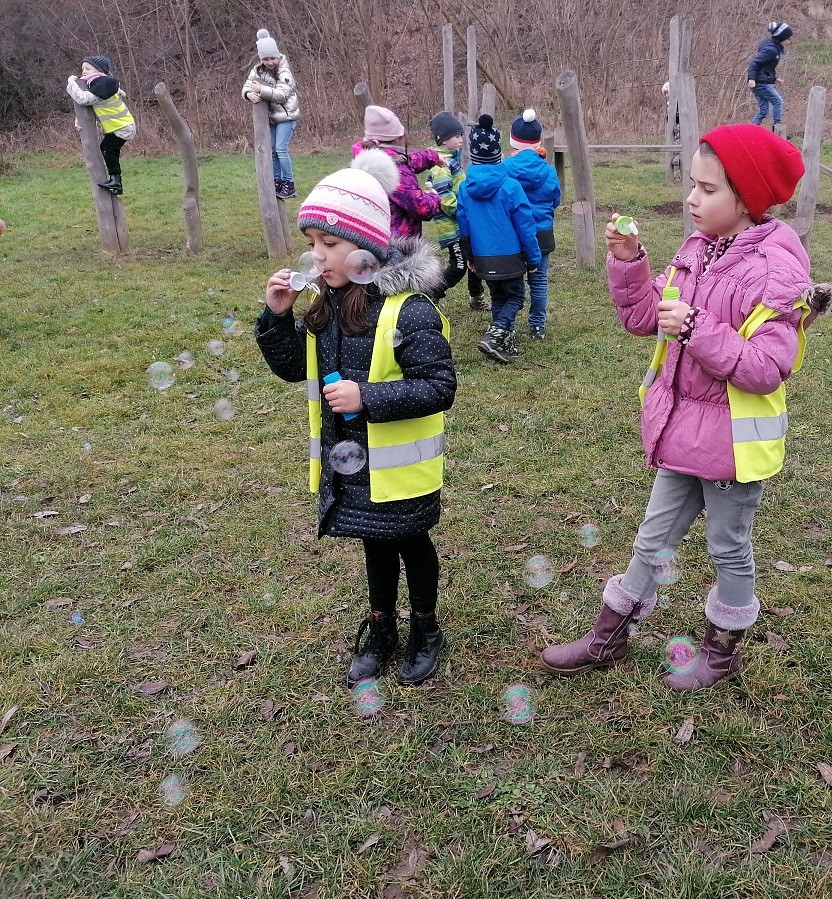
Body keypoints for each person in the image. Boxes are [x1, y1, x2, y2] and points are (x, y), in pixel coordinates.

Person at [541, 124, 816, 691]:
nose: (692, 198)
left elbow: (767, 368)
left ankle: (722, 651)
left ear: (747, 200)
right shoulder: (697, 250)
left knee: (728, 548)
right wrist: (631, 262)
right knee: (652, 538)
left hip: (734, 444)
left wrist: (696, 328)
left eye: (707, 189)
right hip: (683, 430)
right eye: (692, 184)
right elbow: (646, 317)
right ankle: (609, 638)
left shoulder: (775, 272)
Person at [255, 148, 457, 688]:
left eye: (330, 243)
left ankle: (426, 628)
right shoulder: (325, 309)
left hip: (401, 470)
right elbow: (294, 368)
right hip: (353, 463)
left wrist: (366, 396)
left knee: (411, 542)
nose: (317, 256)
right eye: (312, 243)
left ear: (365, 248)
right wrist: (277, 318)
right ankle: (381, 627)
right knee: (375, 543)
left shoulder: (409, 310)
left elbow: (439, 387)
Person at [457, 114, 541, 363]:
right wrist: (533, 258)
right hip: (510, 256)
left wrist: (469, 256)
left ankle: (504, 344)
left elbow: (464, 226)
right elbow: (526, 226)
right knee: (516, 297)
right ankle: (495, 334)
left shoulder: (464, 189)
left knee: (497, 297)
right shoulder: (511, 187)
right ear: (499, 154)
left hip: (482, 256)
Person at [503, 109, 561, 340]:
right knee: (539, 280)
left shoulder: (504, 169)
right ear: (538, 142)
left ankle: (507, 323)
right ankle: (538, 324)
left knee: (513, 281)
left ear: (513, 141)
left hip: (513, 234)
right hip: (542, 232)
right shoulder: (548, 170)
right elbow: (555, 199)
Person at [426, 111, 487, 312]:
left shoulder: (450, 160)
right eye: (456, 136)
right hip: (452, 228)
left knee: (475, 258)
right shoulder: (441, 166)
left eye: (461, 135)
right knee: (459, 266)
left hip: (462, 224)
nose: (461, 140)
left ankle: (477, 297)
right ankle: (430, 295)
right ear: (443, 140)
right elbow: (444, 198)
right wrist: (463, 213)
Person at [352, 105, 444, 239]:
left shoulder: (368, 159)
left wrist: (431, 157)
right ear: (397, 138)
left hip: (375, 236)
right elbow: (422, 208)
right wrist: (434, 197)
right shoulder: (394, 172)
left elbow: (406, 161)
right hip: (397, 244)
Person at [242, 29, 300, 198]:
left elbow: (282, 95)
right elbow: (247, 86)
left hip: (287, 116)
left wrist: (261, 90)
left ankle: (289, 183)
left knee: (281, 149)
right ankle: (277, 181)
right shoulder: (258, 70)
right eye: (265, 59)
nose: (269, 62)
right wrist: (248, 94)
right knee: (272, 150)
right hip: (273, 118)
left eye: (272, 58)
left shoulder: (284, 71)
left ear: (277, 56)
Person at [66, 55, 136, 196]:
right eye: (83, 68)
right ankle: (116, 181)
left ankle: (116, 181)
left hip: (123, 128)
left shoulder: (103, 86)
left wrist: (71, 83)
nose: (84, 71)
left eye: (88, 68)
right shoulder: (100, 85)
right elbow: (93, 108)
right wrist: (79, 120)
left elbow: (83, 99)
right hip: (121, 127)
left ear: (99, 70)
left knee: (107, 149)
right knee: (109, 150)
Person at [747, 21, 793, 129]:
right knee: (778, 101)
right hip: (759, 83)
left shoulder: (773, 47)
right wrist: (751, 78)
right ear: (782, 38)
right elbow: (754, 62)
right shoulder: (771, 50)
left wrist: (774, 79)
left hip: (759, 81)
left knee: (763, 111)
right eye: (788, 38)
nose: (790, 41)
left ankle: (750, 130)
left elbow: (765, 68)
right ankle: (777, 127)